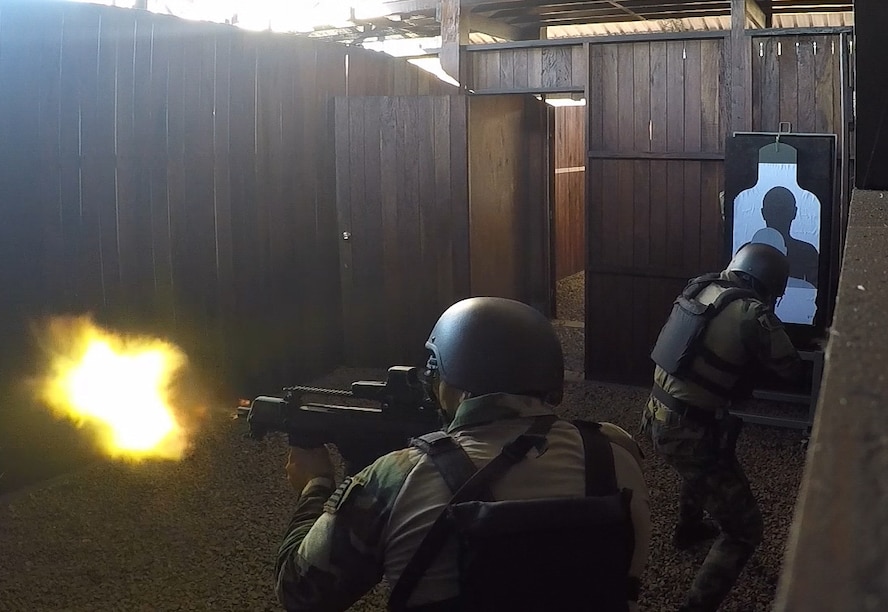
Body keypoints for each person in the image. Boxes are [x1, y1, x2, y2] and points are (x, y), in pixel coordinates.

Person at [275, 297, 651, 611]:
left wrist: (316, 485)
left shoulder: (396, 478)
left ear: (449, 375)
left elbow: (299, 593)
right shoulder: (616, 451)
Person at [643, 242, 806, 612]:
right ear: (766, 283)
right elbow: (791, 369)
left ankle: (688, 528)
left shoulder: (700, 287)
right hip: (689, 431)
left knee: (702, 462)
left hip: (657, 414)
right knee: (744, 531)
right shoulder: (753, 313)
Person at [760, 186, 819, 287]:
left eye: (782, 209)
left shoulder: (745, 252)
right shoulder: (807, 253)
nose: (777, 215)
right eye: (773, 210)